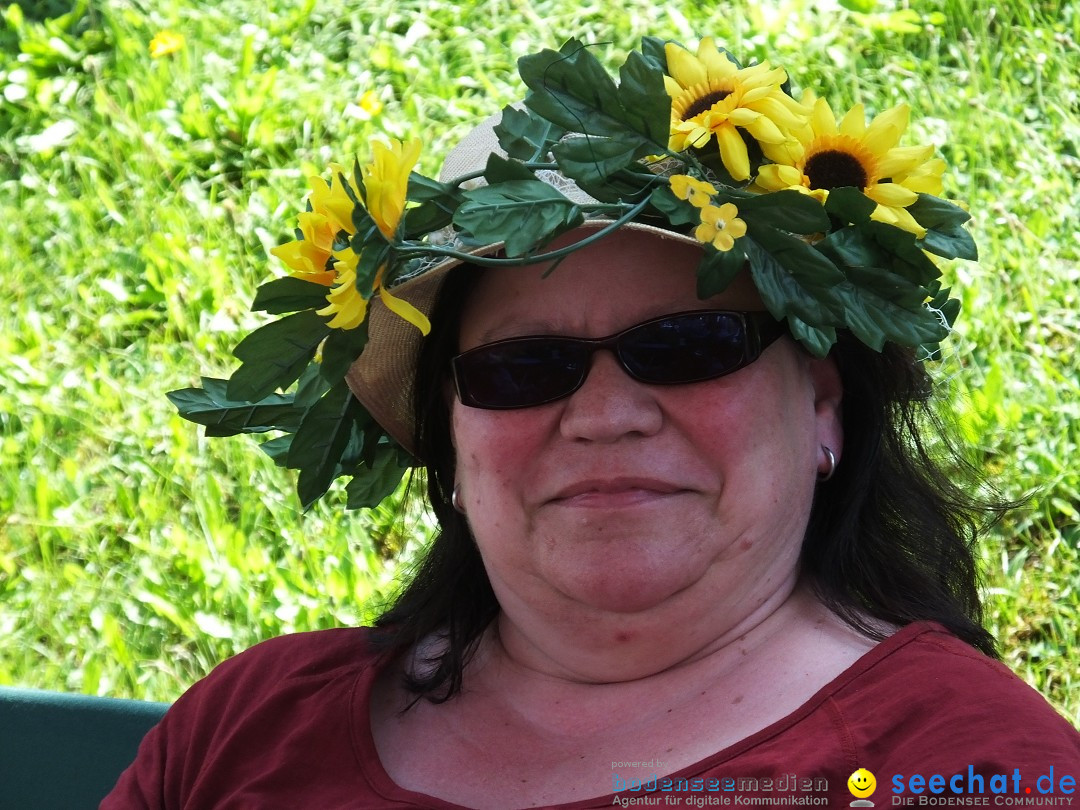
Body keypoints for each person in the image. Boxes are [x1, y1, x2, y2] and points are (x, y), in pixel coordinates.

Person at [105, 35, 1079, 809]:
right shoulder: (245, 726)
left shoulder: (962, 773)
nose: (605, 416)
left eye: (688, 347)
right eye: (526, 368)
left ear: (823, 401)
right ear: (451, 437)